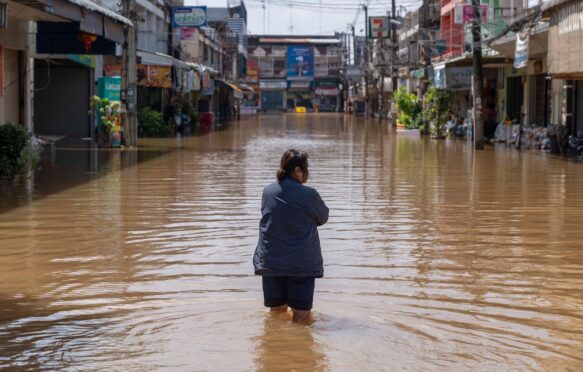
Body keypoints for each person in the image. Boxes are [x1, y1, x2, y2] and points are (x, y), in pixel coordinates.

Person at [253, 149, 329, 324]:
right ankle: (297, 348)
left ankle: (274, 346)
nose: (307, 173)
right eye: (306, 168)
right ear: (297, 171)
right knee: (302, 318)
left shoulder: (268, 192)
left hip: (271, 262)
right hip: (301, 264)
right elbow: (323, 218)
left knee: (276, 313)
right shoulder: (309, 194)